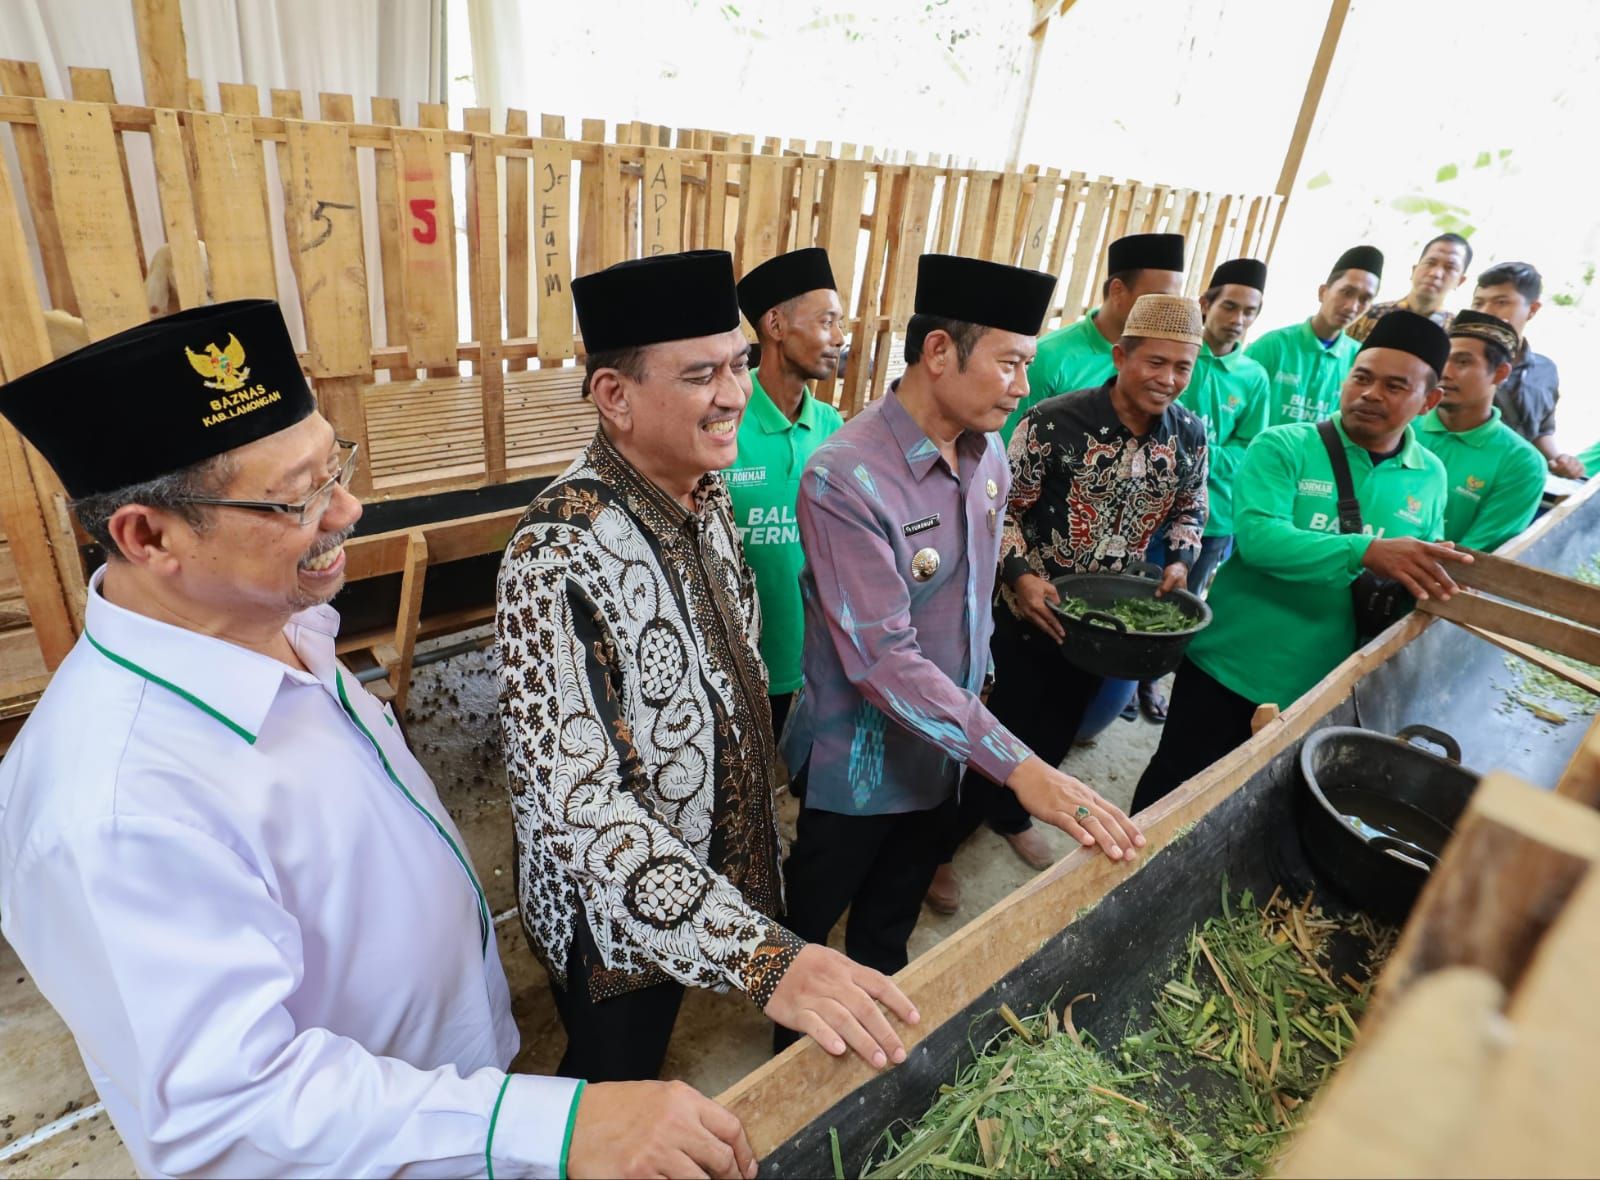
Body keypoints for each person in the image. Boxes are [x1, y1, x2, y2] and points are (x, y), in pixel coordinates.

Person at [0, 300, 758, 1180]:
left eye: (337, 467)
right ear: (148, 535)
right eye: (299, 498)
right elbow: (236, 1112)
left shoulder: (286, 628)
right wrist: (552, 1127)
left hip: (449, 1103)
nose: (348, 510)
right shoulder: (115, 804)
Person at [496, 250, 918, 1086]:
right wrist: (763, 962)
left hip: (707, 870)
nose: (734, 394)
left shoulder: (706, 489)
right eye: (701, 376)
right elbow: (581, 807)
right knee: (614, 1085)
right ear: (614, 398)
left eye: (734, 364)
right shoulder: (554, 555)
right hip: (612, 919)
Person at [778, 254, 1145, 1002]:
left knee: (888, 927)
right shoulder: (844, 476)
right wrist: (1019, 765)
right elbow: (881, 661)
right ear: (940, 351)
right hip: (860, 764)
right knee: (809, 936)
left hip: (945, 755)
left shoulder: (989, 454)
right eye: (1009, 363)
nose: (1022, 385)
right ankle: (794, 1060)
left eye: (1028, 365)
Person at [1132, 311, 1471, 814]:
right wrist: (1367, 551)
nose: (1371, 393)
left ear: (1429, 401)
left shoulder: (1430, 475)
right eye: (1362, 376)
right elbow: (1262, 539)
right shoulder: (1285, 445)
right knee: (1175, 784)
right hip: (1229, 665)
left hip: (1321, 688)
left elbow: (1421, 561)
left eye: (1395, 385)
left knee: (1252, 807)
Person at [933, 293, 1207, 907]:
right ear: (1121, 355)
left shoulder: (1189, 433)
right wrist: (1023, 576)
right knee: (992, 734)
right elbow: (997, 508)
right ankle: (939, 849)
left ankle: (1010, 817)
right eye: (1155, 362)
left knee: (1056, 732)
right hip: (1028, 614)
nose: (1167, 379)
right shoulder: (1055, 421)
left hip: (1106, 626)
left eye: (1182, 367)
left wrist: (1182, 559)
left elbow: (1191, 507)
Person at [726, 247, 846, 745]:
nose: (839, 339)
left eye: (840, 324)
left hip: (810, 650)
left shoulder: (833, 428)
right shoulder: (726, 423)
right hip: (736, 655)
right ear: (775, 325)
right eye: (827, 322)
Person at [1155, 258, 1271, 595]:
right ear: (1206, 304)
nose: (1238, 320)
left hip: (1214, 517)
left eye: (1249, 312)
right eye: (1230, 307)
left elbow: (1247, 450)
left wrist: (1191, 454)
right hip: (1152, 506)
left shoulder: (1254, 377)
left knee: (1180, 604)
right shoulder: (1175, 355)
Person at [1001, 232, 1187, 443]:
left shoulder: (1169, 367)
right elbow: (1009, 445)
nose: (1168, 311)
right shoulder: (1051, 357)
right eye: (1160, 299)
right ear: (1117, 291)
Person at [1416, 310, 1545, 551]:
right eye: (1443, 358)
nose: (1445, 372)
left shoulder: (1522, 464)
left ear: (1500, 373)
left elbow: (1473, 559)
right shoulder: (1401, 423)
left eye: (1463, 362)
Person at [1248, 245, 1383, 426]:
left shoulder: (1361, 360)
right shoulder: (1273, 346)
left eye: (1364, 299)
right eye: (1347, 292)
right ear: (1323, 292)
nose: (1352, 306)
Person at [1471, 261, 1583, 478]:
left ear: (1532, 309)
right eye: (1478, 303)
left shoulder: (1545, 371)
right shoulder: (1450, 359)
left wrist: (1560, 460)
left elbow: (1541, 431)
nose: (1486, 312)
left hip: (1514, 482)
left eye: (1501, 302)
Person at [1345, 233, 1469, 343]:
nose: (1435, 273)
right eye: (1430, 263)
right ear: (1414, 270)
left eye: (1450, 267)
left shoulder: (1457, 335)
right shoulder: (1369, 316)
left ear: (1460, 281)